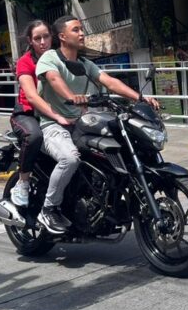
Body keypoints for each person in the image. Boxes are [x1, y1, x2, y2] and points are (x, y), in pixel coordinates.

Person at [34, 15, 160, 234]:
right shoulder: (49, 58)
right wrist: (72, 96)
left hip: (80, 122)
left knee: (118, 142)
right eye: (76, 30)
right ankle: (49, 209)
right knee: (70, 158)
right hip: (53, 125)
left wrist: (139, 98)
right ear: (62, 36)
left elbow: (110, 81)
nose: (82, 33)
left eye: (82, 29)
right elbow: (54, 80)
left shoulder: (84, 64)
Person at [9, 20, 73, 208]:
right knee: (34, 136)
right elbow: (32, 96)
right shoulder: (25, 62)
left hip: (57, 111)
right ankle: (23, 183)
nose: (43, 42)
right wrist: (58, 117)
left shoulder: (60, 58)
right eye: (38, 38)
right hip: (28, 114)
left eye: (46, 36)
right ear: (30, 41)